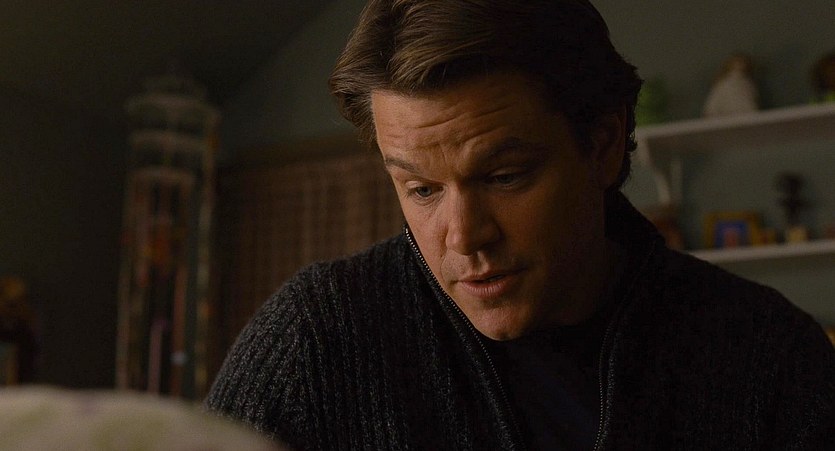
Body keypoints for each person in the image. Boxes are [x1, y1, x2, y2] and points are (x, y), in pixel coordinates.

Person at [206, 1, 835, 449]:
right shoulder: (314, 340)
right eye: (422, 189)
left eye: (504, 177)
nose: (463, 236)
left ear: (602, 145)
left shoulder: (769, 357)